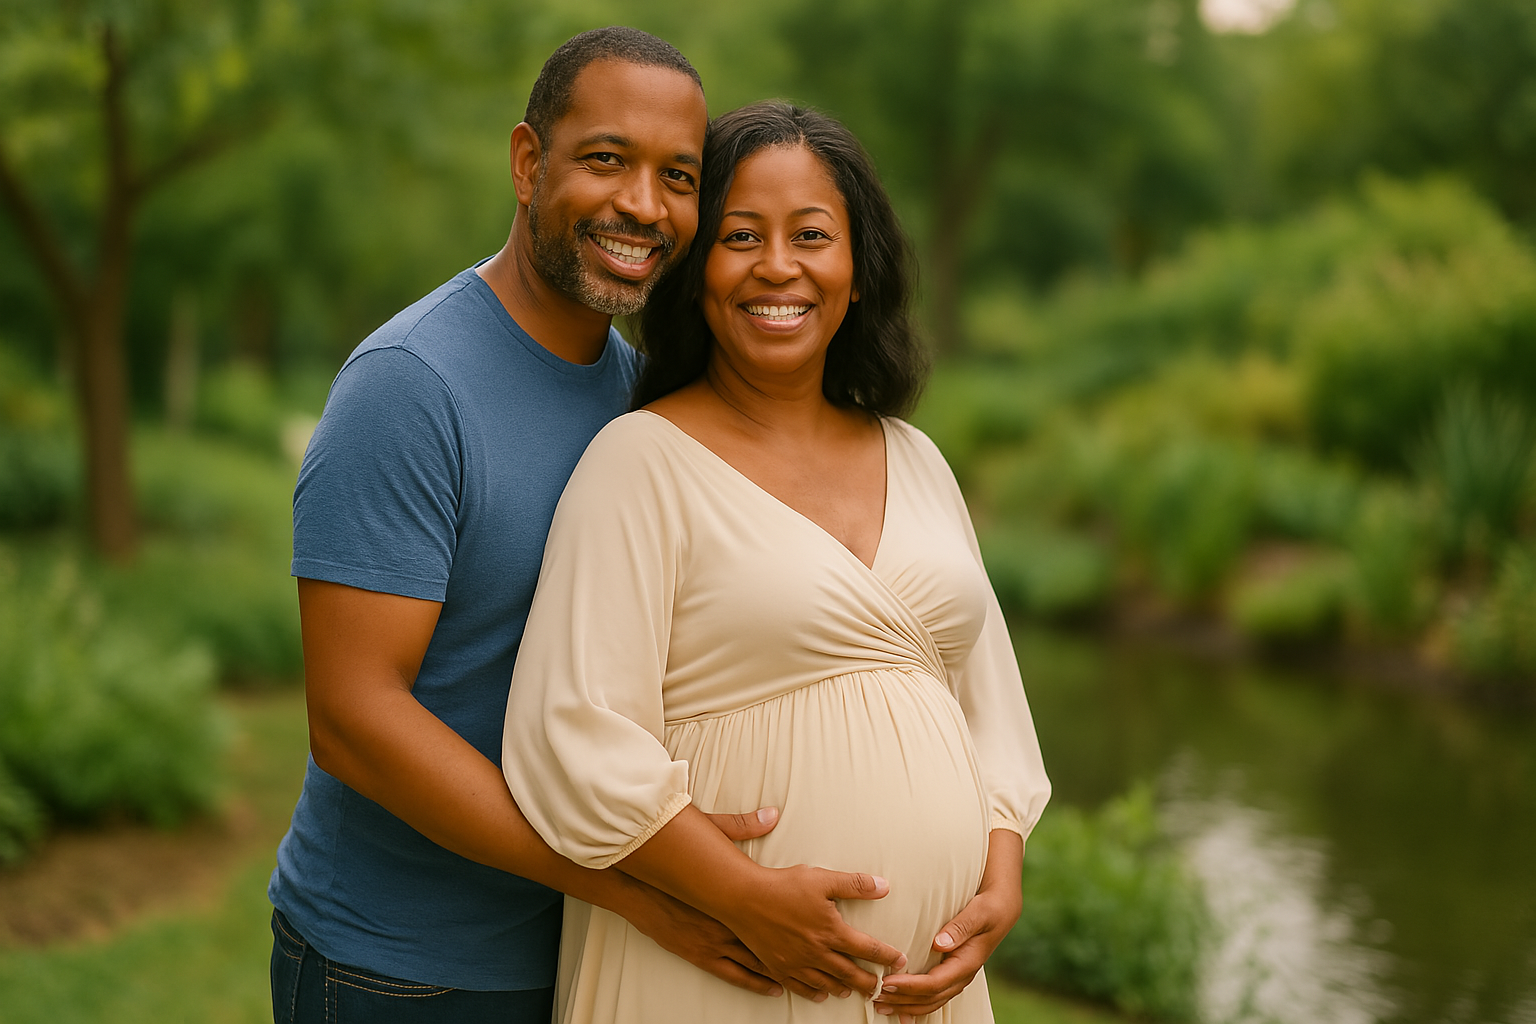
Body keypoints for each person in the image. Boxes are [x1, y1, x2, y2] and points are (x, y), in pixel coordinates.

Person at [269, 32, 904, 1023]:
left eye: (678, 177)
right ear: (529, 164)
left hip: (583, 962)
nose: (644, 205)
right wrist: (638, 888)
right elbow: (356, 719)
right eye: (607, 160)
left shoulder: (642, 399)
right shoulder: (410, 386)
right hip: (399, 969)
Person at [502, 100, 1052, 1023]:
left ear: (858, 271)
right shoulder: (640, 462)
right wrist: (742, 895)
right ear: (696, 272)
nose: (778, 266)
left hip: (921, 989)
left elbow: (991, 706)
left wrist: (1001, 873)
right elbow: (573, 733)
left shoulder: (917, 460)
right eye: (740, 236)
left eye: (811, 235)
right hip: (722, 968)